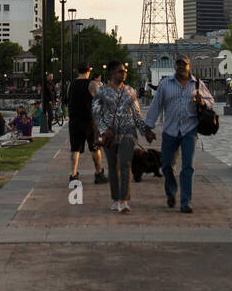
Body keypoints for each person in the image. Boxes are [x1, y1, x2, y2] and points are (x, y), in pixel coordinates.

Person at [144, 55, 214, 214]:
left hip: (189, 129)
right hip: (170, 130)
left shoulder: (197, 84)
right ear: (175, 66)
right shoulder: (165, 84)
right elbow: (156, 105)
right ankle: (171, 191)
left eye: (184, 64)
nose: (181, 67)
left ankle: (185, 202)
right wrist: (148, 127)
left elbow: (211, 101)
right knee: (166, 164)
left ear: (189, 66)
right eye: (179, 64)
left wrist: (202, 102)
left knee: (188, 166)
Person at [92, 60, 155, 213]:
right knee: (113, 167)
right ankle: (115, 199)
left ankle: (124, 200)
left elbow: (137, 114)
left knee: (125, 164)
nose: (124, 73)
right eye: (121, 71)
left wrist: (145, 131)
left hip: (128, 133)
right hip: (109, 135)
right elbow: (95, 112)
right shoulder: (102, 91)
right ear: (113, 73)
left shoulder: (130, 91)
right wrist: (104, 129)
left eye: (125, 71)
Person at [67, 63, 106, 184]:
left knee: (75, 149)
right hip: (90, 121)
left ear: (77, 71)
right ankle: (99, 173)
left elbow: (68, 100)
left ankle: (73, 175)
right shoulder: (92, 84)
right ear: (89, 71)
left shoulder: (71, 84)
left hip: (74, 121)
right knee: (95, 148)